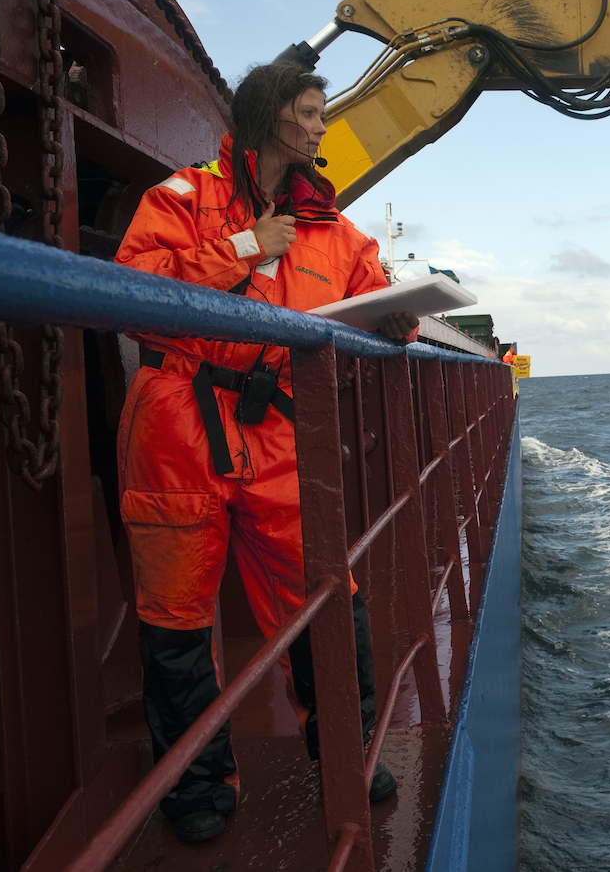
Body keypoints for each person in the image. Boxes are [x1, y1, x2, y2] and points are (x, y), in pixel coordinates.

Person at [114, 61, 419, 843]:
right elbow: (132, 289)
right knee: (177, 618)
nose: (322, 127)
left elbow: (376, 289)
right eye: (312, 113)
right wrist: (247, 245)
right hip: (179, 422)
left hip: (278, 432)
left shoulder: (336, 230)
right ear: (271, 117)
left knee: (326, 592)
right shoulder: (180, 200)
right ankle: (198, 785)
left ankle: (345, 750)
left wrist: (401, 324)